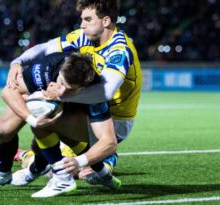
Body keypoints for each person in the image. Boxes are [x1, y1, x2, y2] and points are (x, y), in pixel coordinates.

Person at [8, 0, 142, 198]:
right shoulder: (84, 37)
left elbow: (105, 92)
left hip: (114, 121)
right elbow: (44, 48)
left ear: (106, 21)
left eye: (88, 19)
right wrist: (17, 62)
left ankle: (37, 163)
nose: (82, 25)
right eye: (82, 19)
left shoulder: (119, 49)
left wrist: (62, 94)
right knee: (42, 130)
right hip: (88, 110)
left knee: (63, 155)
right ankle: (94, 160)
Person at [0, 52, 103, 192]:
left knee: (48, 127)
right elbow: (7, 92)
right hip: (48, 99)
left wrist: (58, 99)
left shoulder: (95, 86)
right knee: (3, 130)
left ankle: (53, 173)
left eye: (69, 89)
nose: (63, 89)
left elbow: (104, 134)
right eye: (62, 83)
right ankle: (3, 173)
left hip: (80, 117)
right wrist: (31, 119)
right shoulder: (48, 67)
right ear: (60, 72)